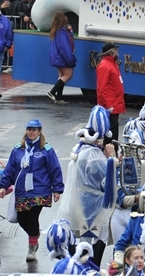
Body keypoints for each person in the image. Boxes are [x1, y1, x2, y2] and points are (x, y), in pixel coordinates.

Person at [0, 119, 64, 262]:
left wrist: (57, 189)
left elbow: (55, 169)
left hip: (40, 189)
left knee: (33, 217)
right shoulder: (18, 149)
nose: (31, 132)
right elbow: (10, 169)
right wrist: (3, 185)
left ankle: (32, 248)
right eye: (29, 129)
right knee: (22, 219)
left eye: (34, 129)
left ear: (39, 131)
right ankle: (34, 237)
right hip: (22, 190)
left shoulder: (46, 149)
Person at [60, 106, 118, 265]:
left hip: (80, 200)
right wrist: (112, 158)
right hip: (93, 203)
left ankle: (82, 266)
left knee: (85, 237)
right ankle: (91, 268)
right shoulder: (94, 156)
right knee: (97, 236)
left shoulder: (80, 149)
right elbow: (110, 179)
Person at [96, 42, 126, 142]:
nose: (118, 51)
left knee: (113, 130)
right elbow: (102, 88)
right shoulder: (105, 65)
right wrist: (108, 105)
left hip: (113, 104)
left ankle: (112, 151)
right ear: (111, 52)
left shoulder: (111, 63)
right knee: (111, 132)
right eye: (116, 49)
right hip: (110, 105)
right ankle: (111, 152)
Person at [48, 12, 75, 104]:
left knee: (62, 76)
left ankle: (59, 97)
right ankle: (52, 92)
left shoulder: (55, 31)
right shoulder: (62, 32)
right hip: (62, 58)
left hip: (57, 57)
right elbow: (64, 47)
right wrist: (70, 59)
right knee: (68, 75)